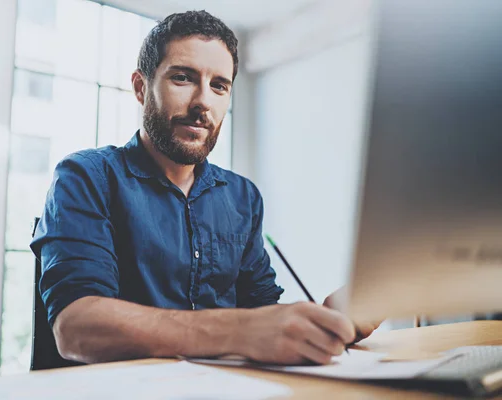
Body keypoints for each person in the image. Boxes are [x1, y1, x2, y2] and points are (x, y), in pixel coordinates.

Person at [31, 10, 380, 366]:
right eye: (183, 78)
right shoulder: (86, 176)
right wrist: (240, 331)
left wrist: (328, 322)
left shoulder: (242, 197)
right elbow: (77, 328)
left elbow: (260, 315)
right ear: (140, 87)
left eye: (219, 86)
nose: (203, 103)